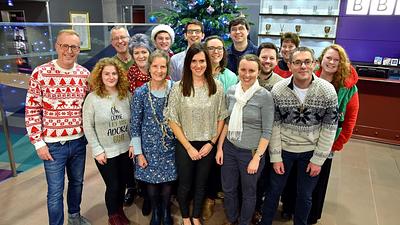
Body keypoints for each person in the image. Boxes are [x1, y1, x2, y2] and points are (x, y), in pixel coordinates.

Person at [260, 47, 338, 225]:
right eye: (297, 62)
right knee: (273, 191)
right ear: (289, 65)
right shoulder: (278, 90)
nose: (303, 66)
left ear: (314, 64)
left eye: (307, 62)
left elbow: (329, 128)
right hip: (284, 150)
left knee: (304, 195)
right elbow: (274, 125)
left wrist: (318, 159)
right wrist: (276, 156)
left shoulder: (328, 91)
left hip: (311, 151)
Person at [25, 29, 91, 225]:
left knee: (77, 183)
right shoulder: (41, 73)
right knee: (55, 191)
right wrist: (38, 143)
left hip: (78, 142)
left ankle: (74, 217)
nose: (69, 51)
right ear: (57, 46)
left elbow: (89, 107)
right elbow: (31, 110)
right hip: (53, 145)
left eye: (74, 47)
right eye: (65, 46)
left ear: (79, 49)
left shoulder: (84, 74)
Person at [165, 43, 228, 225]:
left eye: (202, 61)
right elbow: (172, 120)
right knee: (185, 184)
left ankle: (196, 216)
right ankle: (185, 217)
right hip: (185, 144)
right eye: (194, 61)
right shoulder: (179, 87)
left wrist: (211, 143)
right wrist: (188, 147)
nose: (198, 65)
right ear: (188, 63)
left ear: (207, 63)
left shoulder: (216, 87)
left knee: (201, 184)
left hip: (207, 143)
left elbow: (221, 117)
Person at [217, 54, 274, 225]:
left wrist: (257, 158)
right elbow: (226, 122)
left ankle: (244, 222)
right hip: (229, 147)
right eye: (243, 70)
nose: (246, 74)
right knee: (228, 189)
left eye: (251, 70)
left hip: (250, 153)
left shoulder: (264, 96)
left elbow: (267, 131)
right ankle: (233, 219)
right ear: (238, 70)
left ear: (258, 72)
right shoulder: (232, 91)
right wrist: (220, 148)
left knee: (248, 192)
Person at [308, 44, 359, 224]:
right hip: (304, 137)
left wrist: (338, 144)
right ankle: (291, 208)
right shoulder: (309, 77)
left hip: (328, 141)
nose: (331, 62)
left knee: (318, 179)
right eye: (328, 58)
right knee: (299, 175)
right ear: (321, 59)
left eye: (336, 60)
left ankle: (312, 214)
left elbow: (350, 119)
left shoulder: (348, 87)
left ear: (341, 63)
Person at [130, 50, 177, 225]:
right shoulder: (141, 93)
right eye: (155, 66)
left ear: (167, 68)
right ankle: (156, 212)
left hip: (170, 145)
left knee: (167, 183)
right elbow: (134, 125)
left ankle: (165, 211)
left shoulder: (175, 89)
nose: (159, 70)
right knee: (151, 184)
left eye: (162, 66)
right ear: (149, 68)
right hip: (147, 147)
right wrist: (139, 153)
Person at [83, 58, 131, 225]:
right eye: (106, 74)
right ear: (100, 76)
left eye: (114, 73)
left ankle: (119, 211)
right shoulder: (92, 99)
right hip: (105, 151)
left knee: (123, 183)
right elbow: (88, 126)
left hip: (125, 149)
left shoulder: (126, 95)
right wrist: (97, 150)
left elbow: (133, 122)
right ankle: (113, 215)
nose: (111, 77)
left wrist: (133, 143)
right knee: (113, 186)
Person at [202, 35, 238, 221]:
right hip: (200, 127)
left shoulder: (230, 76)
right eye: (211, 48)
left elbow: (230, 108)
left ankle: (211, 198)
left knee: (218, 164)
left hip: (222, 127)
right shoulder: (199, 71)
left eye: (219, 48)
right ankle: (205, 197)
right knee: (203, 166)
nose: (215, 52)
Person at [252, 42, 283, 225]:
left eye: (271, 58)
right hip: (248, 136)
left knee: (263, 177)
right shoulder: (248, 77)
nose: (267, 61)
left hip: (269, 137)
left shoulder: (280, 84)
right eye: (264, 57)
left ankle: (257, 208)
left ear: (277, 60)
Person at [109, 25, 137, 208]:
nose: (120, 41)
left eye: (123, 37)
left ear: (129, 38)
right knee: (125, 154)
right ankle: (131, 187)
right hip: (121, 114)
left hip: (142, 111)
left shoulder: (139, 57)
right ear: (112, 43)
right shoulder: (110, 64)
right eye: (116, 38)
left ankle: (143, 185)